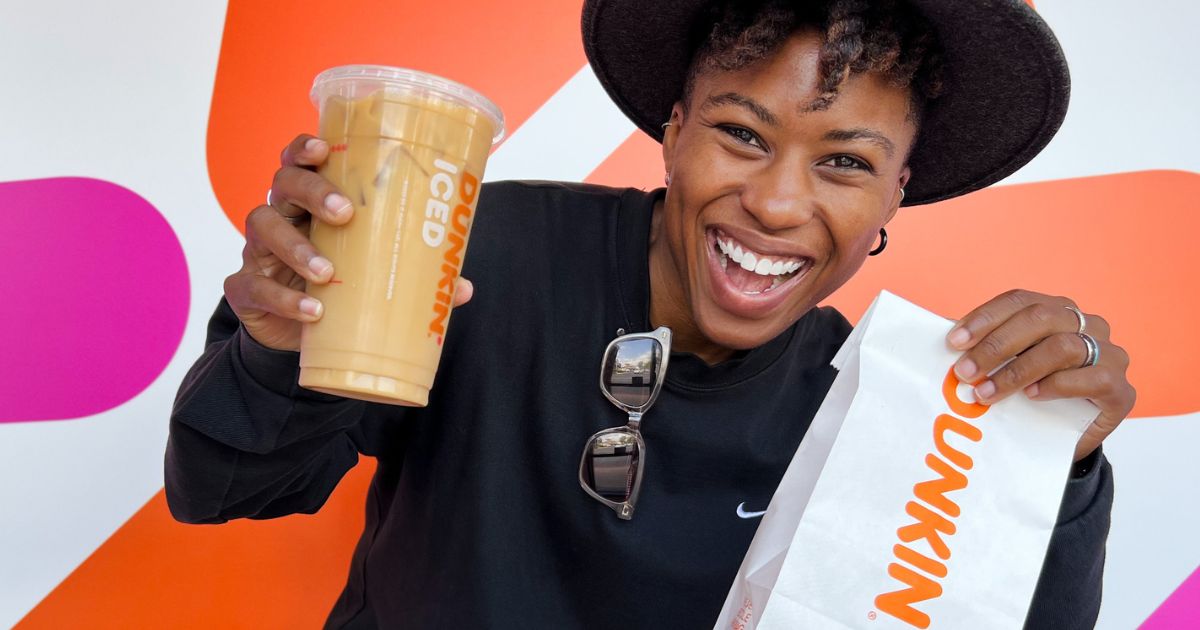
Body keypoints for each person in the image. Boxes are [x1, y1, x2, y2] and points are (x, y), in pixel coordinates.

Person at [166, 0, 1135, 627]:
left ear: (894, 195)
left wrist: (1061, 460)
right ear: (672, 133)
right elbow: (218, 487)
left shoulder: (887, 417)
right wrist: (273, 345)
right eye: (741, 134)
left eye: (844, 162)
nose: (779, 204)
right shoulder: (476, 252)